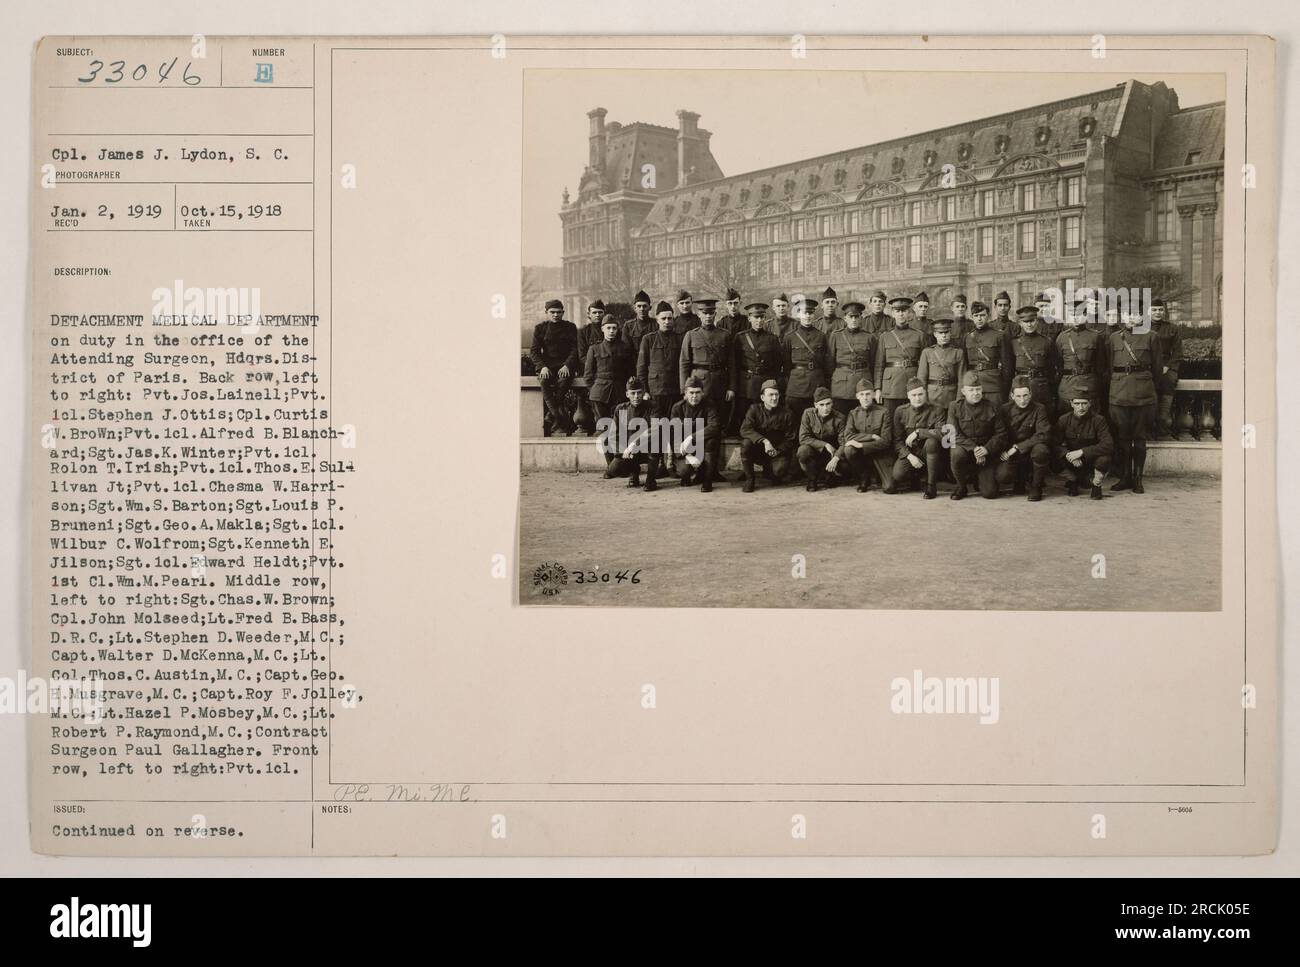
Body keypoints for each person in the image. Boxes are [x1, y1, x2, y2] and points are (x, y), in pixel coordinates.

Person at [1107, 306, 1164, 493]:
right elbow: (1109, 367)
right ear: (1122, 316)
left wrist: (1147, 387)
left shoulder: (1151, 336)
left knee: (1139, 438)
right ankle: (1125, 477)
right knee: (1123, 438)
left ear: (1142, 316)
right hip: (1119, 394)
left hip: (1143, 394)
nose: (1131, 318)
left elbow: (1157, 368)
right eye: (1127, 314)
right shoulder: (1114, 337)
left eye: (1135, 314)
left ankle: (1138, 479)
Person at [679, 297, 735, 447]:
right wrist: (685, 388)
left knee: (719, 414)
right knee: (699, 413)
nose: (708, 316)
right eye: (705, 313)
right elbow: (684, 363)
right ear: (699, 314)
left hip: (719, 380)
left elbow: (732, 364)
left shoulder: (725, 335)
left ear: (715, 314)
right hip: (698, 381)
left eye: (711, 313)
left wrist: (731, 387)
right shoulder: (691, 335)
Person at [637, 300, 682, 478]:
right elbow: (641, 367)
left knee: (674, 427)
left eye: (670, 318)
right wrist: (645, 391)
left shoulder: (680, 338)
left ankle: (673, 462)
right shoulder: (648, 339)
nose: (667, 321)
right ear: (657, 319)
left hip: (675, 391)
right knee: (657, 428)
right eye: (663, 318)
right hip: (655, 392)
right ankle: (660, 463)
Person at [947, 370, 1008, 500]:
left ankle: (978, 478)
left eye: (978, 389)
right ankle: (961, 486)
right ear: (963, 391)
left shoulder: (992, 406)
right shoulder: (954, 407)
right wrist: (974, 448)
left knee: (990, 493)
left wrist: (986, 449)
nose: (975, 393)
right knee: (956, 453)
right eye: (971, 390)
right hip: (966, 451)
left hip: (986, 453)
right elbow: (952, 434)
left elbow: (1001, 434)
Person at [584, 312, 636, 464]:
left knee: (623, 428)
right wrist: (595, 390)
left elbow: (630, 372)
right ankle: (611, 464)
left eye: (614, 328)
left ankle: (622, 462)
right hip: (600, 395)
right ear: (602, 329)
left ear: (618, 329)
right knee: (605, 429)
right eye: (608, 328)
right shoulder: (594, 349)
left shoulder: (625, 348)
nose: (612, 331)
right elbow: (588, 375)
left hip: (620, 394)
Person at [875, 295, 928, 425]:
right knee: (891, 421)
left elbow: (925, 363)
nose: (901, 314)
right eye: (897, 311)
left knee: (913, 420)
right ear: (893, 313)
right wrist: (878, 388)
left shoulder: (919, 335)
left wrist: (923, 386)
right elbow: (879, 365)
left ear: (909, 313)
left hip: (913, 383)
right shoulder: (885, 336)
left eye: (904, 311)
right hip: (891, 386)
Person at [997, 375, 1052, 501]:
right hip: (1011, 452)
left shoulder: (1039, 409)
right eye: (1018, 396)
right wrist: (1004, 451)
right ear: (1012, 396)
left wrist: (1018, 447)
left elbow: (1043, 434)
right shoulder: (1004, 410)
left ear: (1031, 394)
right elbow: (999, 433)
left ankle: (1036, 486)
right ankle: (1019, 481)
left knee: (1041, 450)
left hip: (1030, 449)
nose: (1022, 400)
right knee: (1003, 476)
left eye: (1025, 395)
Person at [528, 298, 579, 436]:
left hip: (564, 366)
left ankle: (551, 416)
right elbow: (534, 351)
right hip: (547, 366)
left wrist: (568, 365)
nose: (556, 315)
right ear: (546, 312)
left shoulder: (570, 327)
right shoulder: (540, 328)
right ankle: (556, 416)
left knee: (564, 381)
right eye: (552, 312)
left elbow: (575, 349)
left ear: (563, 312)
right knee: (544, 381)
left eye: (559, 312)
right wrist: (542, 366)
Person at [835, 377, 895, 492]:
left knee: (889, 488)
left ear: (873, 395)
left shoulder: (884, 412)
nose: (865, 398)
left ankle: (877, 474)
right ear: (857, 396)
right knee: (849, 450)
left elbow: (886, 441)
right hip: (862, 454)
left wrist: (862, 445)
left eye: (868, 394)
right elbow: (848, 436)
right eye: (862, 394)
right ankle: (864, 477)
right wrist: (871, 436)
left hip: (880, 453)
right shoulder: (853, 413)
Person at [732, 301, 783, 435]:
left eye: (762, 317)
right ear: (749, 318)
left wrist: (772, 383)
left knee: (764, 415)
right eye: (756, 317)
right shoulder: (740, 337)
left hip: (765, 383)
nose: (759, 320)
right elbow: (735, 364)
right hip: (746, 384)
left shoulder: (772, 339)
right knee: (745, 414)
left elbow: (777, 364)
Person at [738, 379, 797, 492]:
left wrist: (778, 450)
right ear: (762, 397)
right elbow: (745, 429)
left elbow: (791, 438)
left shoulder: (787, 414)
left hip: (777, 452)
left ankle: (771, 472)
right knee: (746, 444)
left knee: (778, 471)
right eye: (770, 395)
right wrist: (764, 441)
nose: (774, 398)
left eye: (776, 394)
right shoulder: (754, 409)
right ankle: (750, 479)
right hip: (759, 451)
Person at [891, 377, 946, 498]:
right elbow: (897, 441)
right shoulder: (900, 411)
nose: (917, 398)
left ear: (925, 393)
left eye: (921, 394)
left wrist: (918, 432)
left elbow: (943, 434)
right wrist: (910, 457)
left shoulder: (937, 409)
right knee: (898, 475)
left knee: (932, 442)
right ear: (908, 396)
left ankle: (931, 486)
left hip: (931, 454)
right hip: (911, 453)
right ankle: (918, 478)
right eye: (914, 395)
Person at [1054, 390, 1113, 499]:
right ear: (1071, 404)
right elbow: (1054, 443)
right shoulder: (1064, 419)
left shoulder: (1099, 420)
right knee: (1051, 458)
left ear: (1090, 403)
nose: (1081, 407)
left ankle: (1096, 484)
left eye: (1084, 403)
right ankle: (1073, 480)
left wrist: (1082, 452)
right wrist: (1068, 455)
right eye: (1077, 404)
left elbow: (1108, 444)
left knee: (1104, 459)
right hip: (1072, 461)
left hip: (1090, 460)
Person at [1054, 298, 1109, 417]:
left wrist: (1096, 384)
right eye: (1072, 314)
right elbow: (1058, 364)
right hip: (1068, 384)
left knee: (1091, 417)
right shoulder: (1061, 337)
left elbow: (1101, 365)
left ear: (1085, 315)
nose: (1075, 317)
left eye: (1079, 314)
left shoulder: (1095, 337)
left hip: (1089, 383)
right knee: (1066, 417)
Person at [606, 376, 661, 491]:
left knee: (655, 443)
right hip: (630, 451)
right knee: (614, 469)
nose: (636, 396)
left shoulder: (653, 406)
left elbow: (655, 429)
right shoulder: (621, 409)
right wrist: (622, 452)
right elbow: (613, 436)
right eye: (633, 393)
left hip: (648, 447)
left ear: (644, 393)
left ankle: (651, 480)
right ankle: (633, 475)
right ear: (627, 394)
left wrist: (635, 444)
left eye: (639, 393)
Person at [669, 376, 723, 492]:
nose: (694, 396)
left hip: (703, 445)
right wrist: (688, 456)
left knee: (712, 441)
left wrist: (691, 437)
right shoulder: (677, 408)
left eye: (698, 392)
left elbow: (714, 426)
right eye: (691, 392)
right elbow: (673, 435)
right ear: (685, 393)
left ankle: (707, 480)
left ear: (703, 393)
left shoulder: (709, 405)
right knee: (684, 470)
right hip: (685, 449)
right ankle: (688, 474)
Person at [1004, 304, 1057, 420]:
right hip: (1020, 387)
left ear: (1036, 321)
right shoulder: (1014, 343)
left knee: (1043, 417)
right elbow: (1009, 369)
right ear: (1020, 323)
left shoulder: (1046, 342)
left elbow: (1051, 369)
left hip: (1041, 387)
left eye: (1032, 321)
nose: (1029, 324)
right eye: (1025, 321)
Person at [781, 297, 829, 422]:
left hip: (816, 381)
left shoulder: (821, 336)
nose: (808, 316)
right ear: (798, 314)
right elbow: (786, 365)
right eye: (804, 313)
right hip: (796, 384)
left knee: (816, 417)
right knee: (795, 417)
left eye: (810, 313)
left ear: (814, 315)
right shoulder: (790, 337)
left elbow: (825, 362)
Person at [827, 301, 877, 415]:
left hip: (862, 382)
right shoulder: (836, 336)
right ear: (845, 318)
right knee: (841, 416)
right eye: (851, 316)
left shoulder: (869, 337)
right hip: (841, 385)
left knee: (862, 417)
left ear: (861, 318)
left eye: (856, 316)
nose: (854, 320)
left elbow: (874, 363)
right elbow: (830, 363)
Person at [797, 387, 846, 491]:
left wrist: (836, 458)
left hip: (831, 454)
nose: (825, 408)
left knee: (845, 468)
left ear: (832, 403)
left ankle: (829, 474)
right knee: (803, 450)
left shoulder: (840, 418)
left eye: (828, 404)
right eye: (821, 405)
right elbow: (803, 438)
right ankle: (812, 479)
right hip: (814, 452)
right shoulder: (808, 414)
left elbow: (844, 443)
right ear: (815, 405)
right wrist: (825, 445)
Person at [1149, 298, 1183, 439]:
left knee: (1168, 383)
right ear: (1149, 311)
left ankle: (1162, 424)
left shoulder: (1172, 328)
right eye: (1154, 310)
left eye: (1160, 310)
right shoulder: (1142, 328)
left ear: (1164, 311)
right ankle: (1148, 427)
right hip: (1148, 367)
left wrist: (1167, 366)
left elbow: (1177, 352)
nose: (1158, 312)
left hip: (1166, 368)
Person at [964, 301, 1006, 407]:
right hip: (974, 385)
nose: (979, 319)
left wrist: (1005, 388)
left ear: (988, 316)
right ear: (972, 317)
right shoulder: (968, 337)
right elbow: (965, 365)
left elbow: (1007, 366)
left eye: (982, 315)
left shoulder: (999, 336)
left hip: (993, 385)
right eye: (976, 315)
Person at [917, 317, 965, 409]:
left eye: (946, 332)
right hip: (932, 397)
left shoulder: (958, 352)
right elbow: (922, 378)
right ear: (935, 334)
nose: (943, 335)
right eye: (940, 333)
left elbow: (961, 379)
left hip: (951, 397)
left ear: (950, 333)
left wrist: (959, 400)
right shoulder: (927, 352)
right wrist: (924, 398)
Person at [621, 290, 656, 355]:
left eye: (644, 306)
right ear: (635, 308)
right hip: (633, 362)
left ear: (650, 308)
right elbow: (626, 348)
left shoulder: (656, 324)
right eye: (639, 306)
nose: (642, 309)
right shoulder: (628, 326)